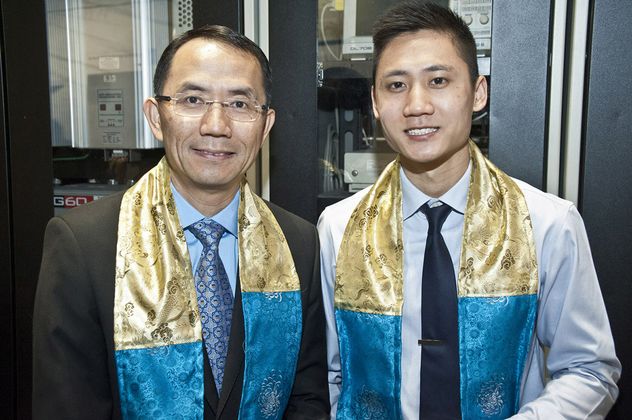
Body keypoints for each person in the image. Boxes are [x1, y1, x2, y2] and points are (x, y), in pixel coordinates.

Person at [318, 2, 621, 419]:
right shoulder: (339, 228)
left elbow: (589, 370)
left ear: (478, 93)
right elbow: (329, 375)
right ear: (374, 101)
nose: (417, 105)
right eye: (396, 85)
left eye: (438, 80)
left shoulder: (547, 223)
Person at [33, 25, 329, 419]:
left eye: (239, 104)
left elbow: (306, 400)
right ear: (156, 116)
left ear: (265, 125)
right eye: (193, 99)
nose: (216, 125)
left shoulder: (298, 244)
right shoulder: (83, 245)